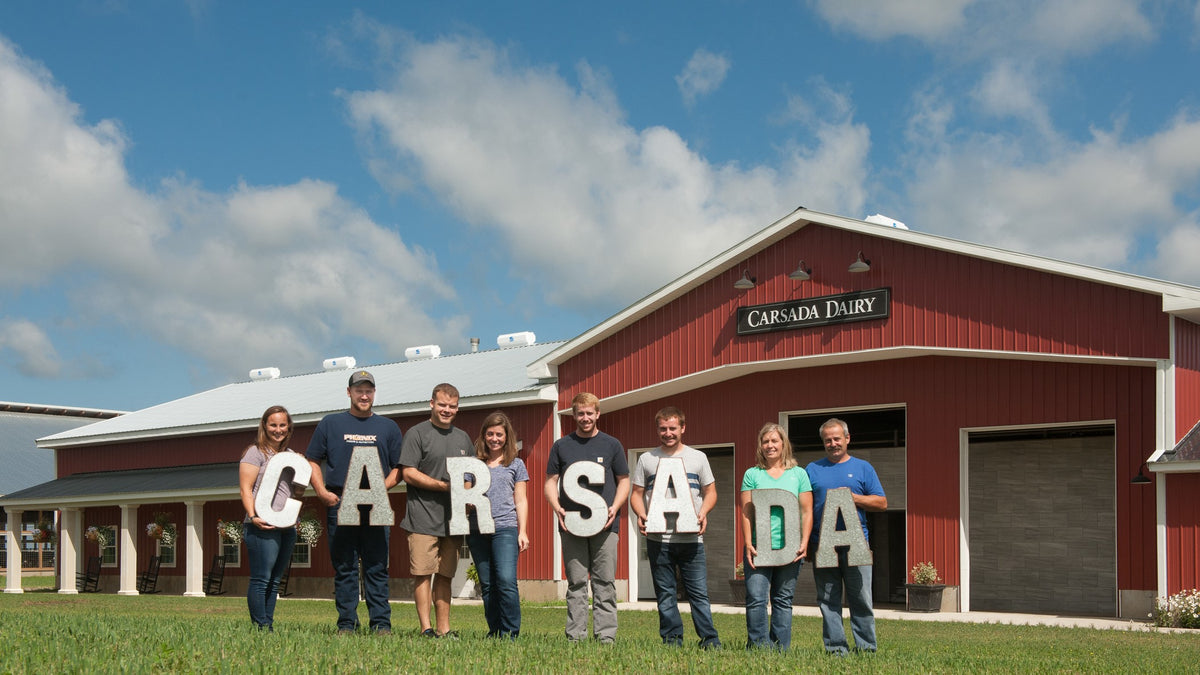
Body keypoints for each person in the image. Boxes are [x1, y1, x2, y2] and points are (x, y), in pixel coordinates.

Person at [306, 370, 403, 635]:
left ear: (374, 393)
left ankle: (381, 623)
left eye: (368, 390)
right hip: (340, 501)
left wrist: (377, 489)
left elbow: (400, 468)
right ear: (348, 392)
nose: (364, 395)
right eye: (359, 390)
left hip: (375, 504)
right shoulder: (330, 424)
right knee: (345, 566)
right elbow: (313, 459)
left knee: (376, 566)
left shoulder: (388, 427)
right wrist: (321, 491)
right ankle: (346, 623)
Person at [630, 406, 721, 649]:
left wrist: (703, 512)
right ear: (657, 429)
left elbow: (710, 492)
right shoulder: (647, 459)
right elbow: (636, 494)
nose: (668, 433)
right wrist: (641, 513)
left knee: (699, 594)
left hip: (691, 540)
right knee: (665, 594)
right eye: (663, 429)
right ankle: (672, 641)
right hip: (659, 539)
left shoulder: (698, 457)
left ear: (683, 428)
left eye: (672, 428)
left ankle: (710, 641)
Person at [544, 392, 630, 644]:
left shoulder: (612, 444)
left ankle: (606, 637)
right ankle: (576, 637)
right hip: (571, 524)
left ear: (597, 414)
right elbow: (550, 482)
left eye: (589, 413)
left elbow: (623, 480)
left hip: (605, 524)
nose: (585, 418)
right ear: (573, 415)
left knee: (605, 582)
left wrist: (615, 506)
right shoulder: (561, 446)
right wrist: (556, 507)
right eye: (580, 413)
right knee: (577, 582)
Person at [400, 382, 475, 638]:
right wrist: (444, 487)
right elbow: (408, 473)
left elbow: (470, 475)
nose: (446, 410)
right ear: (431, 403)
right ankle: (426, 628)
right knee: (423, 574)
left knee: (445, 575)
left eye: (452, 406)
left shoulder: (463, 438)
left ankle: (444, 629)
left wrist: (464, 491)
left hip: (453, 520)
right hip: (422, 517)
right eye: (442, 405)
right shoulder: (417, 433)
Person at [806, 418, 887, 655]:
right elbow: (806, 509)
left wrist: (854, 498)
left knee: (861, 599)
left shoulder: (863, 468)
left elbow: (882, 502)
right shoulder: (812, 469)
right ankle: (835, 649)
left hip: (856, 544)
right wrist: (810, 543)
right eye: (828, 440)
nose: (833, 443)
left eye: (837, 439)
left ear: (847, 439)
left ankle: (866, 648)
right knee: (828, 600)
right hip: (823, 544)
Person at [739, 422, 812, 651]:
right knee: (756, 599)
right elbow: (747, 512)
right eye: (765, 441)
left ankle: (780, 649)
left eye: (774, 441)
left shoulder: (798, 474)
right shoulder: (752, 474)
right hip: (759, 547)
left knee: (783, 600)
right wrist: (748, 542)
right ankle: (760, 647)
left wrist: (804, 541)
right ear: (760, 446)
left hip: (789, 547)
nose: (770, 445)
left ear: (783, 444)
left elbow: (807, 511)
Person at [465, 411, 530, 639]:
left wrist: (522, 531)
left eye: (499, 434)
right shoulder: (473, 464)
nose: (495, 438)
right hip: (478, 529)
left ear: (506, 437)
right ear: (484, 435)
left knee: (505, 580)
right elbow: (465, 495)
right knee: (488, 584)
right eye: (490, 434)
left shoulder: (516, 463)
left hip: (505, 528)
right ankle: (495, 631)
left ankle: (511, 632)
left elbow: (520, 499)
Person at [239, 405, 304, 631]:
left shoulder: (291, 457)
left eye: (282, 425)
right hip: (261, 524)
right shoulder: (255, 452)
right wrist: (253, 515)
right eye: (273, 425)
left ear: (289, 427)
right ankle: (261, 626)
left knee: (276, 580)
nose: (278, 429)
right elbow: (246, 489)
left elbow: (296, 492)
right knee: (261, 578)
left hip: (286, 525)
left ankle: (268, 624)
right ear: (264, 426)